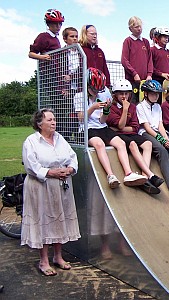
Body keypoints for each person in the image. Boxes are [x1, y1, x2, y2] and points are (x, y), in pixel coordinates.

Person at [21, 108, 81, 276]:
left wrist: (70, 169)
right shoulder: (31, 141)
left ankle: (58, 257)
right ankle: (44, 261)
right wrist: (50, 172)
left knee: (59, 220)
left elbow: (72, 156)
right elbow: (31, 165)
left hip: (61, 187)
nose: (54, 122)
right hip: (41, 187)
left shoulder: (60, 139)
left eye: (54, 119)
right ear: (39, 123)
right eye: (49, 120)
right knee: (43, 221)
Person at [74, 67, 147, 188]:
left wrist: (106, 110)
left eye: (99, 89)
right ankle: (110, 175)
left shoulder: (104, 93)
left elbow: (102, 119)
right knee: (99, 144)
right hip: (87, 129)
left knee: (121, 143)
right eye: (93, 89)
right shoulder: (79, 96)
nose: (96, 92)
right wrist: (93, 107)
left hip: (102, 126)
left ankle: (128, 173)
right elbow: (81, 119)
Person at [106, 79, 165, 194]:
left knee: (148, 144)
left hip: (130, 133)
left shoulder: (133, 107)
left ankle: (144, 176)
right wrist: (125, 110)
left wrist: (120, 127)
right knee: (132, 144)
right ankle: (150, 174)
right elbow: (120, 125)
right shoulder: (112, 108)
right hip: (118, 136)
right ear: (115, 95)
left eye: (126, 93)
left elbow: (135, 127)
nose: (124, 96)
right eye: (121, 93)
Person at [121, 16, 153, 103]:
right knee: (133, 104)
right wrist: (134, 74)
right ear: (130, 28)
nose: (139, 29)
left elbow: (150, 59)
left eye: (140, 26)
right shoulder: (128, 41)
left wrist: (149, 74)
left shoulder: (145, 42)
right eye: (136, 27)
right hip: (132, 82)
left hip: (145, 81)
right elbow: (124, 60)